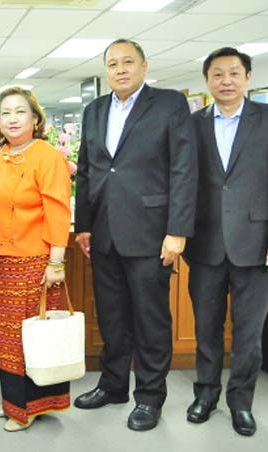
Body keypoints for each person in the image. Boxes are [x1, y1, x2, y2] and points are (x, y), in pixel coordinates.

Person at [73, 38, 198, 431]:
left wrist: (177, 231)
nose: (120, 69)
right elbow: (88, 170)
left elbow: (183, 170)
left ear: (144, 66)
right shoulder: (94, 110)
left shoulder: (169, 105)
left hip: (150, 233)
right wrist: (85, 225)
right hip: (105, 233)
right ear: (105, 71)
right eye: (113, 64)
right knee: (111, 317)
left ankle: (149, 397)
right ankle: (113, 385)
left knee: (150, 319)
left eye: (129, 62)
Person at [183, 47, 268, 436]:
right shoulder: (193, 123)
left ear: (248, 78)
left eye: (234, 73)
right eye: (218, 74)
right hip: (205, 244)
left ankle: (241, 402)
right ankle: (205, 394)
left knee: (248, 334)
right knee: (206, 329)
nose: (226, 81)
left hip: (258, 245)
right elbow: (183, 183)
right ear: (207, 81)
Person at [0, 86, 72, 432]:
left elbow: (58, 210)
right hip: (0, 262)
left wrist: (57, 262)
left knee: (30, 337)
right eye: (6, 112)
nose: (12, 118)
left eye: (21, 111)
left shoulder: (47, 156)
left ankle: (29, 408)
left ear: (35, 119)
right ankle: (12, 402)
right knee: (5, 336)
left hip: (35, 262)